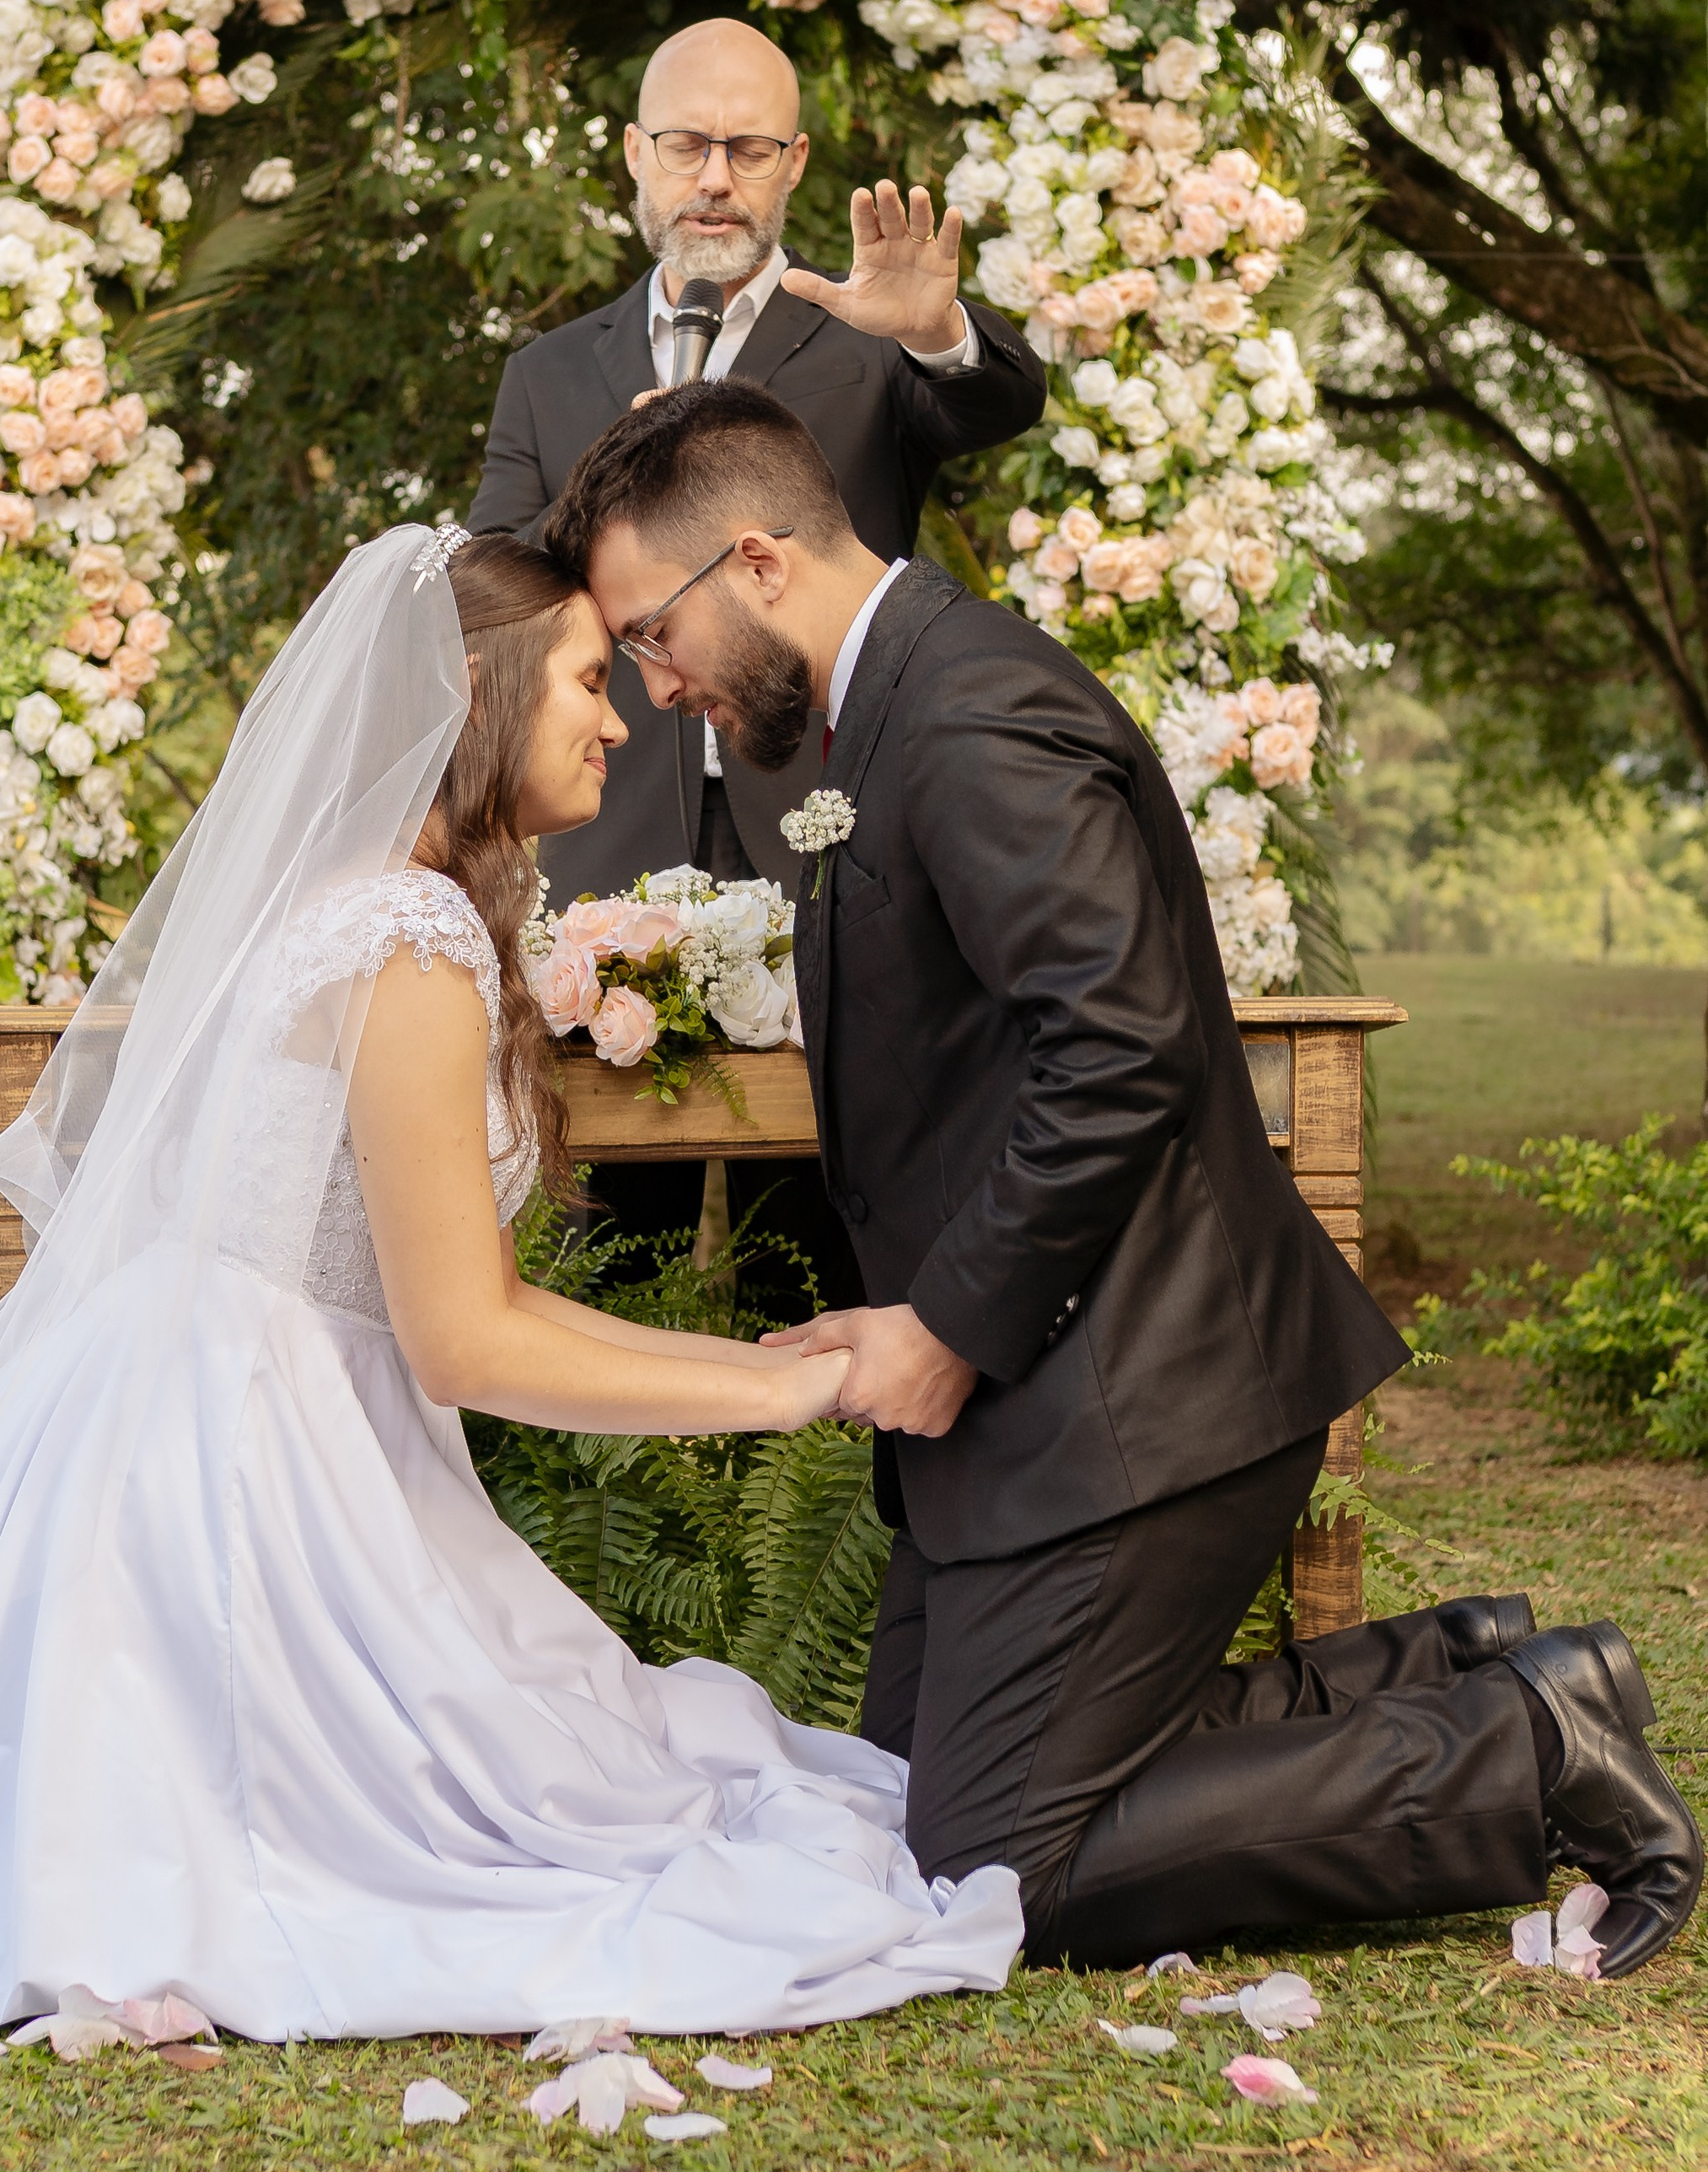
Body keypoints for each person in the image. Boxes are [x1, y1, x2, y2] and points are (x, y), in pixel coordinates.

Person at [0, 527, 1020, 2042]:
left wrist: (786, 1367)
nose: (622, 714)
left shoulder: (381, 904)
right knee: (477, 1828)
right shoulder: (407, 937)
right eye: (591, 675)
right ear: (480, 691)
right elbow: (462, 1340)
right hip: (243, 1471)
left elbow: (478, 1292)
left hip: (242, 1398)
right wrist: (787, 1392)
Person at [545, 383, 1704, 1979]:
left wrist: (945, 1324)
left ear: (753, 561)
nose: (655, 684)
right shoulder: (866, 716)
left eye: (649, 633)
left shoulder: (966, 716)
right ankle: (1486, 1656)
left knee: (998, 1870)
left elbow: (1124, 1044)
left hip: (1148, 1386)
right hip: (1037, 1404)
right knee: (896, 1797)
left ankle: (1530, 1750)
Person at [469, 13, 1045, 1308]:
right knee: (613, 1237)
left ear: (793, 164)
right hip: (615, 857)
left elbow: (994, 405)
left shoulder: (864, 336)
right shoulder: (552, 374)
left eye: (747, 147)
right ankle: (639, 1495)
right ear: (634, 154)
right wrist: (607, 497)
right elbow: (494, 579)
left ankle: (848, 1489)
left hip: (837, 842)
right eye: (686, 144)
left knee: (840, 1217)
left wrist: (938, 334)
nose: (713, 177)